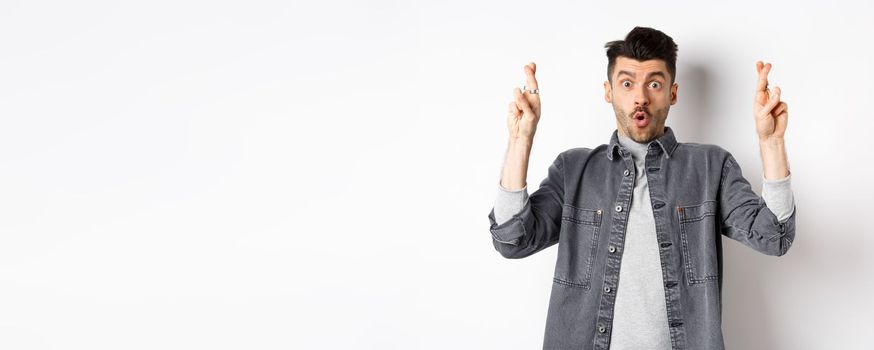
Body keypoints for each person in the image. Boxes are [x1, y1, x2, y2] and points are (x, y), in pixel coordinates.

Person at [487, 26, 796, 350]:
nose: (640, 97)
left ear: (672, 93)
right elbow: (512, 240)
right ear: (608, 91)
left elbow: (774, 237)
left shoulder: (710, 167)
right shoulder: (573, 170)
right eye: (627, 82)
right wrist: (521, 139)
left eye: (654, 83)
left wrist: (771, 142)